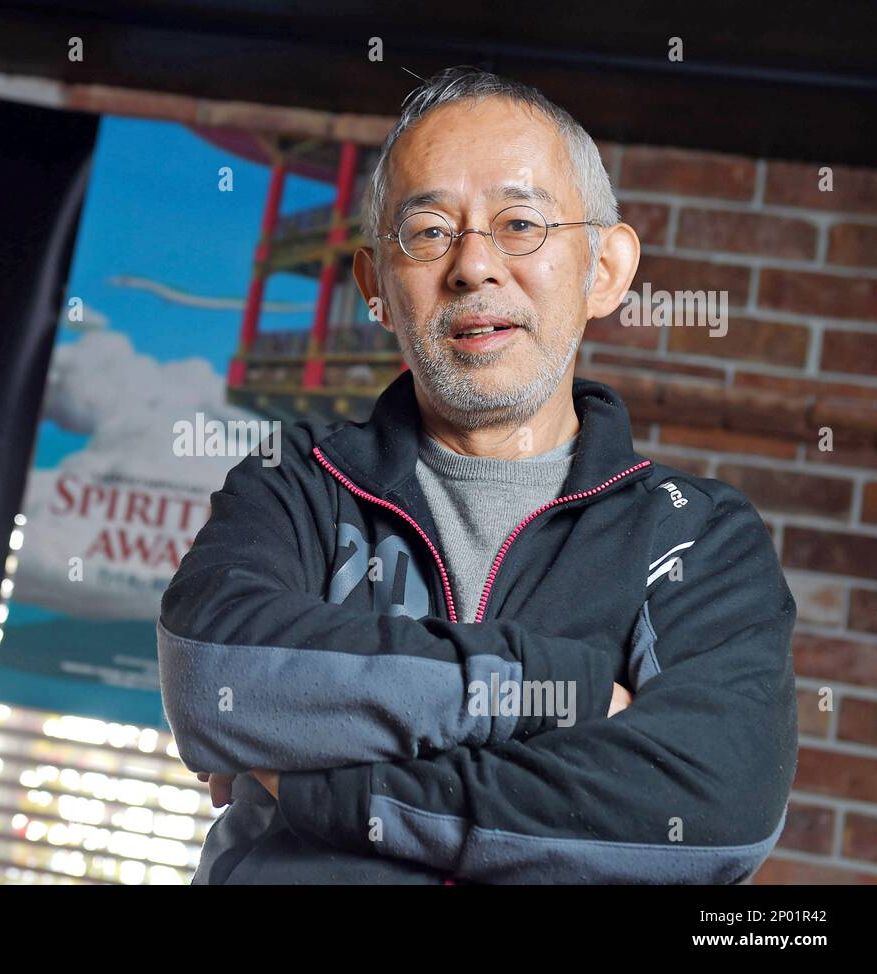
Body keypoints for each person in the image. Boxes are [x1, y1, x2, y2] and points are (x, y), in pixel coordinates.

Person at [156, 66, 797, 884]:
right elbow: (216, 677)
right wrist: (562, 686)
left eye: (520, 222)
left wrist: (325, 787)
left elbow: (711, 811)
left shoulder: (695, 534)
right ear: (376, 289)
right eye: (427, 232)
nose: (472, 268)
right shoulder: (297, 483)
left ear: (605, 269)